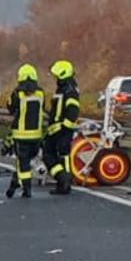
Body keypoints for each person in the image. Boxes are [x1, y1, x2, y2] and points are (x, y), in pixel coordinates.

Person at [4, 64, 49, 198]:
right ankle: (14, 182)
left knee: (23, 164)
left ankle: (26, 189)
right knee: (24, 161)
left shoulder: (17, 93)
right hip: (36, 135)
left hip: (21, 135)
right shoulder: (41, 93)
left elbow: (11, 109)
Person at [45, 60, 82, 194]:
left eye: (56, 76)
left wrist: (62, 127)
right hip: (58, 129)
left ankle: (64, 180)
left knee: (59, 155)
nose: (55, 78)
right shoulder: (64, 88)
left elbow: (72, 111)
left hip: (62, 130)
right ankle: (63, 179)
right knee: (54, 155)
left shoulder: (69, 90)